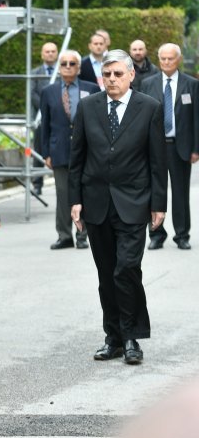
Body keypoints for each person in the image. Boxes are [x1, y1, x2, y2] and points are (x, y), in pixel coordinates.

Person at [69, 49, 167, 365]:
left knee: (126, 268)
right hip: (96, 203)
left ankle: (132, 337)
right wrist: (75, 201)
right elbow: (77, 159)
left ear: (130, 75)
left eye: (118, 74)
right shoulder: (87, 107)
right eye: (107, 74)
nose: (112, 79)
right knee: (106, 273)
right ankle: (112, 337)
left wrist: (159, 204)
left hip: (134, 203)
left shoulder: (149, 108)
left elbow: (157, 161)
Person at [140, 43, 199, 251]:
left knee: (181, 193)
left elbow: (196, 119)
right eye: (163, 58)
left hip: (179, 146)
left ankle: (182, 234)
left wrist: (196, 148)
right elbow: (141, 117)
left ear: (178, 60)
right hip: (154, 147)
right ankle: (156, 234)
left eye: (170, 59)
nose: (166, 62)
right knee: (155, 190)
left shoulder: (191, 85)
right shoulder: (147, 84)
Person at [39, 49, 99, 250]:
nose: (67, 67)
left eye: (72, 63)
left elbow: (98, 122)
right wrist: (46, 153)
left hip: (87, 151)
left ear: (79, 67)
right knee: (63, 194)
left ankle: (82, 235)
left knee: (85, 193)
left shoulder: (91, 89)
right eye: (63, 63)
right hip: (59, 151)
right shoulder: (48, 91)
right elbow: (44, 125)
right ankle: (64, 235)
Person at [30, 42, 60, 194]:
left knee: (59, 149)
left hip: (59, 116)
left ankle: (59, 184)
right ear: (42, 54)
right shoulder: (34, 73)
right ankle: (37, 184)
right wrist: (45, 106)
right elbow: (32, 93)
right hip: (40, 118)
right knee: (38, 149)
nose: (50, 54)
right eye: (47, 51)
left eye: (53, 51)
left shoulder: (62, 72)